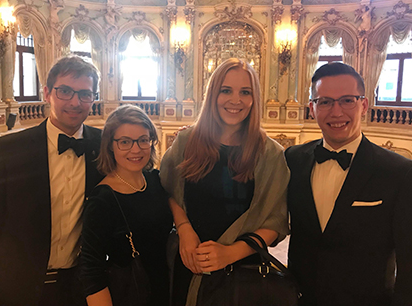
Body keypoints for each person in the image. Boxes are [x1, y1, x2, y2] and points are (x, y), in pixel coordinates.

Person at [0, 56, 104, 306]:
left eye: (85, 94)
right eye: (65, 91)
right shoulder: (8, 150)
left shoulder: (105, 147)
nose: (75, 102)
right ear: (47, 93)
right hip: (19, 290)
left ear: (93, 99)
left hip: (82, 289)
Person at [160, 58, 290, 306]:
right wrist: (184, 228)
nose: (235, 100)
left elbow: (275, 222)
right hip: (190, 263)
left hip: (243, 273)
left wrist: (230, 253)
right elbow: (167, 190)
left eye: (245, 92)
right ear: (213, 95)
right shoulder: (187, 142)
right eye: (226, 90)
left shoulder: (270, 154)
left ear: (254, 99)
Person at [285, 62, 412, 306]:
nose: (336, 112)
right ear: (312, 108)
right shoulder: (293, 159)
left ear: (363, 105)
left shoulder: (399, 172)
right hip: (299, 298)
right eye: (325, 102)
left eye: (347, 100)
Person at [80, 105, 173, 306]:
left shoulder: (155, 181)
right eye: (125, 142)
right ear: (110, 146)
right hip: (130, 295)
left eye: (143, 140)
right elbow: (91, 271)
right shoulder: (102, 200)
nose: (136, 149)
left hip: (164, 291)